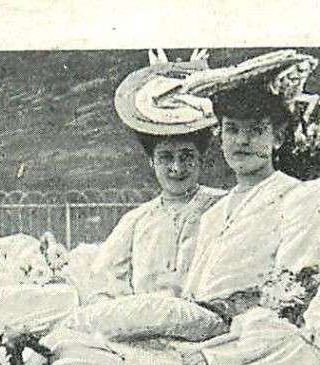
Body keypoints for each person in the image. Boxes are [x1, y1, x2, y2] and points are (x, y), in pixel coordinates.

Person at [176, 50, 320, 363]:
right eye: (232, 130)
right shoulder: (213, 214)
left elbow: (294, 294)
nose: (242, 141)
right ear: (221, 137)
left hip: (257, 343)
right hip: (201, 333)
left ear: (278, 138)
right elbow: (194, 293)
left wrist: (220, 350)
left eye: (256, 131)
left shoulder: (299, 198)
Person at [89, 50, 226, 298]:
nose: (176, 168)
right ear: (151, 162)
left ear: (200, 159)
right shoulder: (136, 221)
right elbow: (105, 281)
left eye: (186, 156)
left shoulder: (223, 207)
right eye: (166, 158)